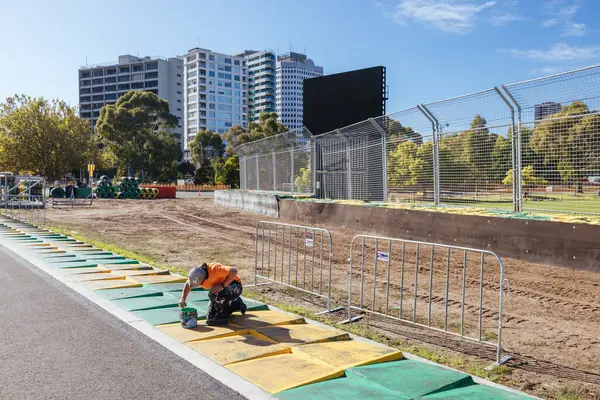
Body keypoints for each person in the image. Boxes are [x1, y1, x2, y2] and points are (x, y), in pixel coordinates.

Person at [179, 262, 246, 326]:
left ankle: (222, 318)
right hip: (221, 290)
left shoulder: (215, 269)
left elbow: (234, 271)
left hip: (235, 285)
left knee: (213, 293)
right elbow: (188, 284)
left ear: (203, 278)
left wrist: (223, 285)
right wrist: (183, 299)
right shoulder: (196, 274)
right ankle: (237, 304)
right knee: (210, 316)